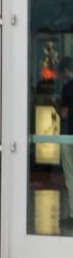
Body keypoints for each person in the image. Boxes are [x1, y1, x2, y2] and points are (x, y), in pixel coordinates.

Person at [53, 57, 73, 224]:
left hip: (70, 136)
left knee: (71, 176)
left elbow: (64, 114)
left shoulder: (68, 87)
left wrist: (55, 104)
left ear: (66, 71)